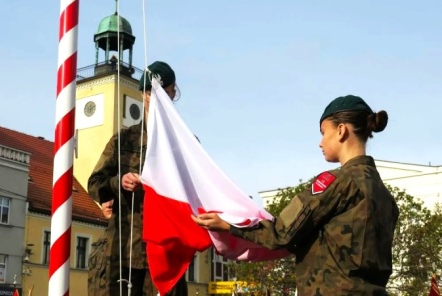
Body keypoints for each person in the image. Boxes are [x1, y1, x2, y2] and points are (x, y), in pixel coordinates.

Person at [192, 95, 399, 295]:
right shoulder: (385, 197)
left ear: (341, 131)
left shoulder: (336, 183)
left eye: (323, 132)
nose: (320, 142)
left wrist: (228, 226)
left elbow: (282, 232)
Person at [88, 61, 187, 296]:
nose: (162, 100)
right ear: (144, 95)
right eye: (155, 94)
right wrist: (118, 182)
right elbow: (94, 182)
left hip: (165, 254)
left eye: (169, 94)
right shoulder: (124, 140)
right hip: (122, 253)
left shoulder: (183, 145)